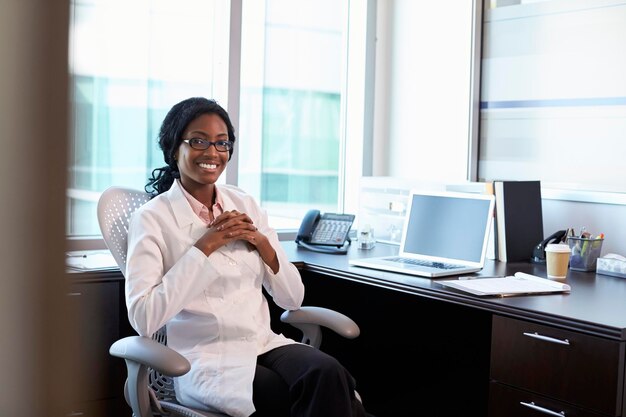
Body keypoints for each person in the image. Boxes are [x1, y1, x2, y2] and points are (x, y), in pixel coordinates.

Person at [125, 97, 370, 417]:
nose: (212, 152)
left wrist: (262, 244)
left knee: (327, 373)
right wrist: (205, 247)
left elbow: (293, 299)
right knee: (297, 396)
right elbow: (143, 318)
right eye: (198, 141)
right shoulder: (152, 218)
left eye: (221, 143)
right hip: (205, 355)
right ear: (174, 147)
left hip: (261, 342)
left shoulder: (243, 203)